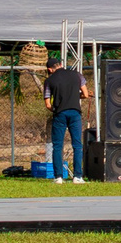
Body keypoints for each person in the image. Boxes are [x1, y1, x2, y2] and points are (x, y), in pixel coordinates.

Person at [43, 53, 88, 182]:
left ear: (50, 69)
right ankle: (77, 176)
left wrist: (55, 109)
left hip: (60, 114)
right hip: (75, 112)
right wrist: (75, 96)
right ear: (61, 65)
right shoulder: (77, 75)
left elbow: (48, 104)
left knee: (57, 146)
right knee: (77, 145)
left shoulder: (49, 81)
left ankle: (58, 177)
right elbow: (85, 94)